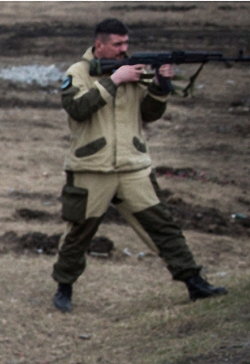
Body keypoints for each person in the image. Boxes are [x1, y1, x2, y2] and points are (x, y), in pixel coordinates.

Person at [51, 18, 227, 313]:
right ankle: (63, 288)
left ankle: (195, 283)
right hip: (92, 168)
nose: (124, 50)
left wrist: (160, 85)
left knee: (162, 226)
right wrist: (114, 80)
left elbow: (150, 113)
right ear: (99, 45)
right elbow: (77, 109)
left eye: (126, 44)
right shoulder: (78, 72)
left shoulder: (134, 70)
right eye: (117, 44)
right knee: (78, 233)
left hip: (133, 167)